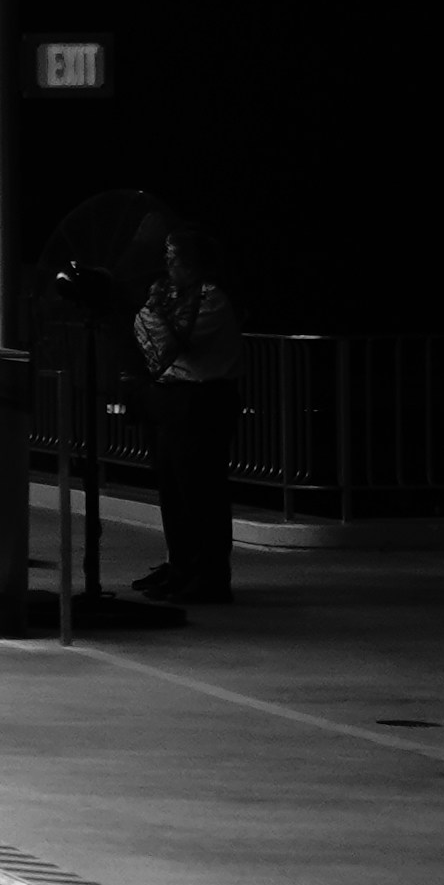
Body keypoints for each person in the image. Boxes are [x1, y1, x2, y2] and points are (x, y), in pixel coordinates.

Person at [132, 232, 247, 609]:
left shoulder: (210, 297)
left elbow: (171, 339)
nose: (169, 267)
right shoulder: (177, 296)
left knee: (202, 490)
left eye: (175, 260)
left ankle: (210, 575)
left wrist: (155, 312)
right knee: (174, 488)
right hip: (173, 397)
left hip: (204, 399)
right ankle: (181, 566)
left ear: (194, 264)